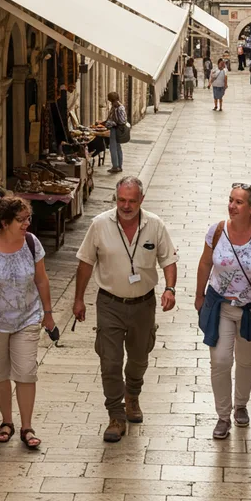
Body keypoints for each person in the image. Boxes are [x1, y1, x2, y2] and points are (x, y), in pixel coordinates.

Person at [74, 176, 179, 442]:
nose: (126, 205)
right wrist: (78, 300)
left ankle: (132, 395)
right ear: (116, 198)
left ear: (141, 200)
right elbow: (85, 263)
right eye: (121, 200)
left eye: (132, 201)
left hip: (143, 304)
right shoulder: (99, 225)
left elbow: (169, 260)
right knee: (109, 361)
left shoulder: (155, 225)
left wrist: (170, 288)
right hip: (109, 303)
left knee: (138, 358)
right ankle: (115, 415)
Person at [0, 197, 57, 450]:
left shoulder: (31, 243)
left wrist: (48, 314)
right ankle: (7, 422)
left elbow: (42, 280)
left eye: (28, 218)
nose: (27, 223)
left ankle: (27, 427)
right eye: (21, 220)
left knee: (26, 371)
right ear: (5, 222)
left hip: (27, 318)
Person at [195, 184, 251, 439]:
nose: (232, 206)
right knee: (220, 361)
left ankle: (241, 404)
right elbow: (206, 262)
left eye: (239, 202)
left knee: (245, 360)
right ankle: (223, 416)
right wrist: (199, 295)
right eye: (231, 200)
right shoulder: (217, 231)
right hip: (220, 306)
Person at [104, 91, 127, 174]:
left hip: (115, 129)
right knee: (118, 147)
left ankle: (115, 166)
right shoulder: (120, 106)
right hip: (117, 128)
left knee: (113, 148)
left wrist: (108, 123)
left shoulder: (117, 107)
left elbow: (119, 121)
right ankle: (119, 166)